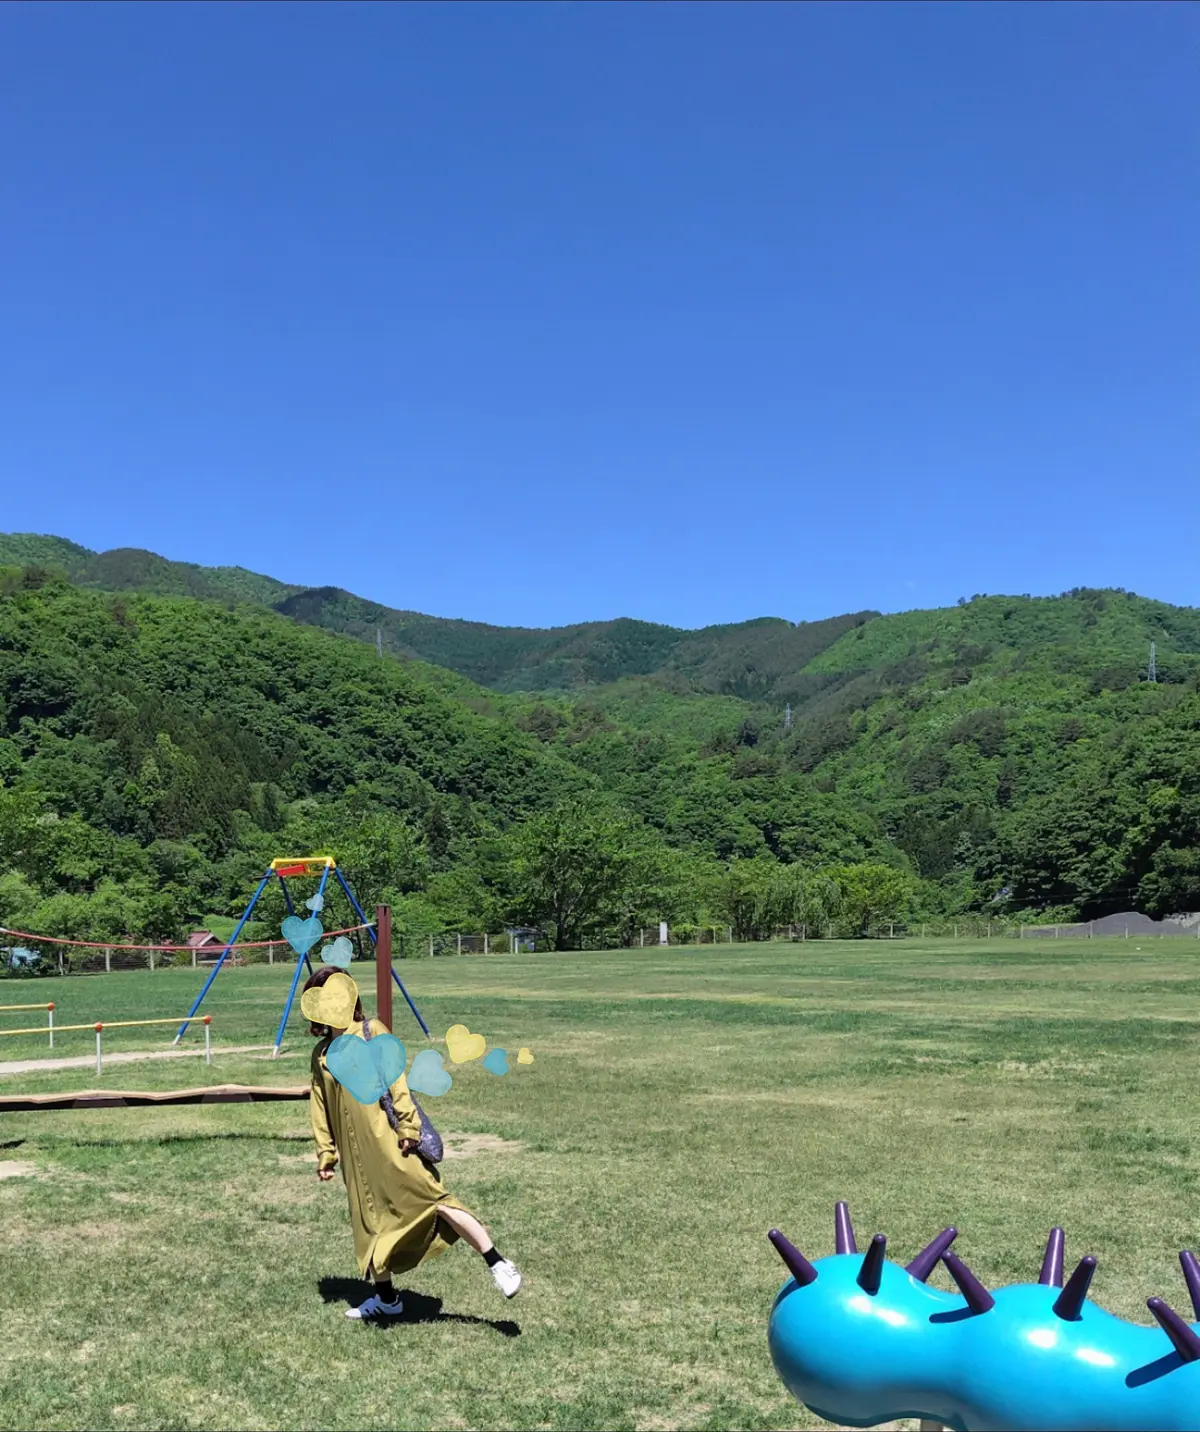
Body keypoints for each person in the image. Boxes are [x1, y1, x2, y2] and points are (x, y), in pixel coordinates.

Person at [303, 965, 521, 1320]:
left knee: (433, 1198)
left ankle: (498, 1263)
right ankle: (387, 1299)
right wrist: (326, 1152)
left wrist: (408, 1127)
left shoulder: (372, 1032)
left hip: (389, 1140)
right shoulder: (321, 1054)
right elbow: (319, 1104)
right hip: (354, 1155)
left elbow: (397, 1082)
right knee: (370, 1218)